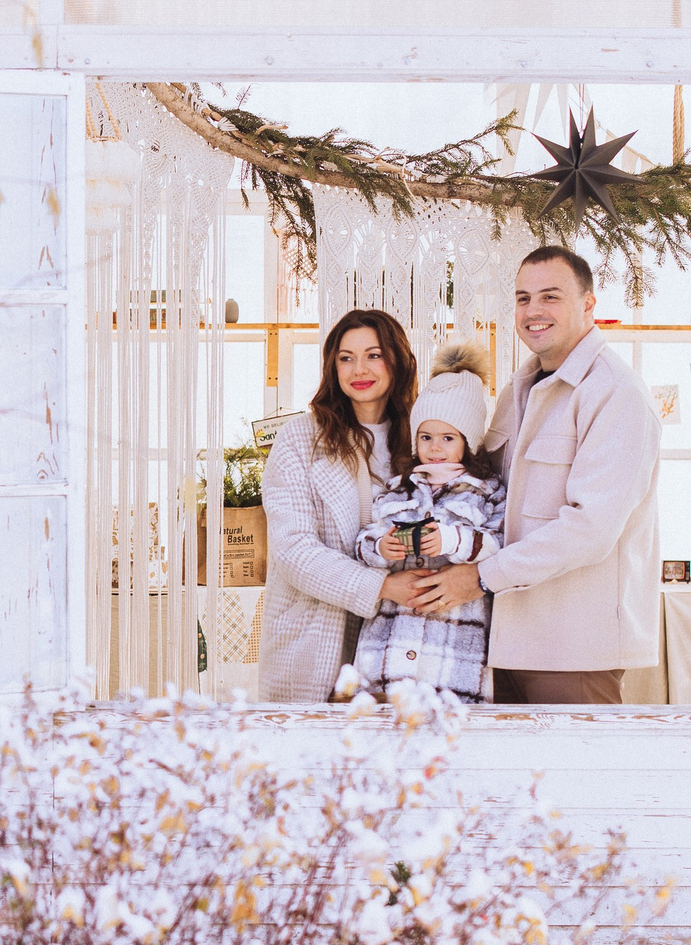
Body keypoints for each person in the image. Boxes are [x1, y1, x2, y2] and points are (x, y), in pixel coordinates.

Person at [398, 245, 659, 705]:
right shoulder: (521, 388)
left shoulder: (616, 394)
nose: (533, 311)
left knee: (574, 775)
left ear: (588, 305)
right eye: (522, 298)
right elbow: (486, 493)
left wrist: (478, 577)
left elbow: (590, 529)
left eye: (550, 297)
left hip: (573, 649)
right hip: (501, 639)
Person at [256, 309, 438, 703]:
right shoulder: (300, 439)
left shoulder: (425, 439)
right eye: (346, 357)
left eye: (374, 355)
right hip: (315, 638)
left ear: (397, 360)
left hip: (401, 637)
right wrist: (383, 586)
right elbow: (293, 551)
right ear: (332, 366)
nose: (360, 368)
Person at [351, 344, 503, 701]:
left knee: (447, 739)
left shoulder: (485, 492)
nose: (435, 448)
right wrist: (379, 547)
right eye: (426, 437)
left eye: (448, 438)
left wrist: (452, 541)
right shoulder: (398, 488)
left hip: (452, 651)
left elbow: (499, 543)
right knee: (384, 737)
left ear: (468, 442)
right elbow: (364, 539)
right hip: (390, 646)